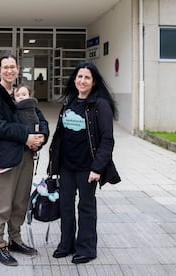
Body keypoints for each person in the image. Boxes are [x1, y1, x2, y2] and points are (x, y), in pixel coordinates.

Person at [0, 53, 49, 266]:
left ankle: (15, 239)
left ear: (18, 69)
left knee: (20, 202)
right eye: (5, 67)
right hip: (5, 158)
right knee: (2, 204)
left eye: (13, 67)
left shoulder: (19, 94)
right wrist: (25, 136)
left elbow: (39, 117)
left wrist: (41, 136)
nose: (9, 70)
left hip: (25, 156)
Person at [49, 61, 120, 264]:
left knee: (86, 207)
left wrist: (97, 168)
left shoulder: (100, 105)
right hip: (66, 165)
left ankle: (87, 248)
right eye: (79, 77)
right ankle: (66, 244)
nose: (82, 80)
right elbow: (60, 135)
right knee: (65, 206)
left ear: (94, 81)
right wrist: (54, 163)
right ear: (74, 79)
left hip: (88, 167)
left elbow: (107, 140)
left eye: (87, 77)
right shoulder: (69, 101)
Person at [0, 84, 40, 174]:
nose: (21, 97)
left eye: (24, 95)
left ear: (30, 96)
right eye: (18, 95)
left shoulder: (24, 106)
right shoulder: (33, 105)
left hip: (28, 131)